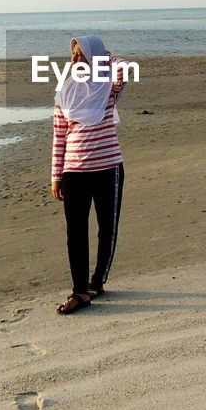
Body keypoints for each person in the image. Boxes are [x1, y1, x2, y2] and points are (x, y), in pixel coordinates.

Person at [50, 35, 127, 315]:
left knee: (107, 228)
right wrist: (56, 176)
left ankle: (98, 281)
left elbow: (125, 67)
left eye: (80, 55)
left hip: (109, 170)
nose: (74, 61)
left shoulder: (108, 88)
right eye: (72, 56)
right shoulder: (64, 93)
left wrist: (103, 56)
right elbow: (59, 137)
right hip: (74, 172)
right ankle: (79, 291)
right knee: (75, 232)